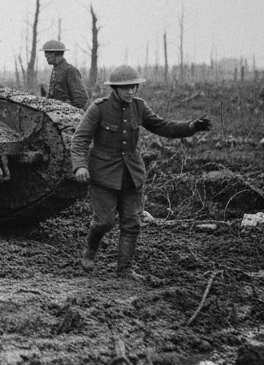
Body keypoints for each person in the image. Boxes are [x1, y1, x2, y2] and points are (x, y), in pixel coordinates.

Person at [70, 65, 211, 281]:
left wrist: (191, 126)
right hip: (103, 176)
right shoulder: (99, 108)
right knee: (104, 222)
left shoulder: (139, 106)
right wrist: (80, 166)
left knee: (132, 223)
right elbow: (80, 139)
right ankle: (90, 250)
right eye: (125, 88)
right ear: (115, 88)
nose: (131, 91)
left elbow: (162, 126)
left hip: (132, 175)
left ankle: (125, 271)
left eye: (134, 87)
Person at [41, 39, 88, 108]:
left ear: (53, 55)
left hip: (66, 112)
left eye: (47, 55)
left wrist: (65, 107)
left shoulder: (70, 70)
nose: (46, 57)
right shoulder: (56, 70)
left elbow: (81, 98)